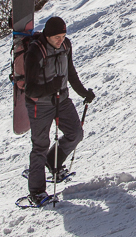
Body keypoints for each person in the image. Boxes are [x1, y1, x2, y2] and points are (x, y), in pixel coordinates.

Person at [24, 15, 95, 206]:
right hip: (40, 105)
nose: (60, 39)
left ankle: (53, 161)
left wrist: (83, 93)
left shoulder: (66, 46)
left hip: (62, 100)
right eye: (57, 36)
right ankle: (37, 191)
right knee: (40, 145)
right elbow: (29, 89)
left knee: (76, 133)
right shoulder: (35, 53)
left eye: (63, 35)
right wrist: (50, 87)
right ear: (47, 35)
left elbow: (70, 72)